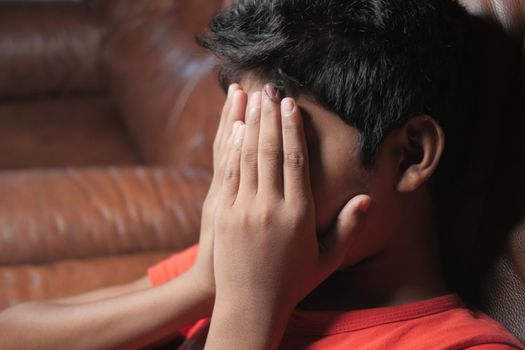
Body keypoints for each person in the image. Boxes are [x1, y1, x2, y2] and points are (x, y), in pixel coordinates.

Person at [0, 0, 523, 349]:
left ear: (410, 154)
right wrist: (203, 285)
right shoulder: (257, 258)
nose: (241, 171)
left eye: (281, 139)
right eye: (242, 130)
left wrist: (248, 309)